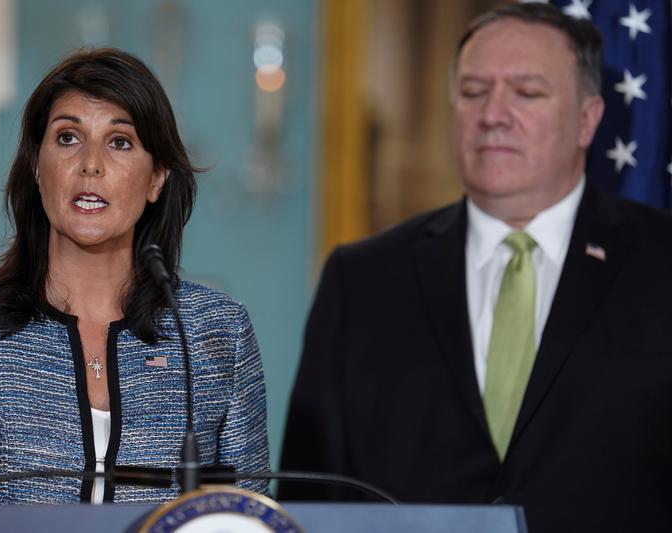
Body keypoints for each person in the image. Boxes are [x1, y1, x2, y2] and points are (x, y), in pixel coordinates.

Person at [279, 3, 672, 532]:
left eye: (527, 93)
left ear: (587, 120)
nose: (493, 114)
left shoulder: (660, 261)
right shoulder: (364, 279)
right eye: (472, 92)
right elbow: (312, 495)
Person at [0, 47, 269, 506]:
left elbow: (248, 519)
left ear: (157, 177)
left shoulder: (215, 331)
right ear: (38, 167)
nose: (90, 164)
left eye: (120, 141)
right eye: (67, 138)